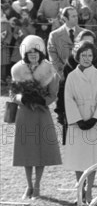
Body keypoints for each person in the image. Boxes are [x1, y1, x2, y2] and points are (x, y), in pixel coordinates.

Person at [10, 35, 61, 200]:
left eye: (36, 51)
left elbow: (53, 94)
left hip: (41, 112)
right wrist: (21, 98)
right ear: (25, 52)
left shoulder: (49, 70)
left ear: (41, 52)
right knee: (27, 151)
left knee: (41, 151)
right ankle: (29, 186)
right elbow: (13, 93)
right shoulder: (17, 70)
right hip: (24, 113)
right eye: (30, 51)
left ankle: (38, 185)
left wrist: (42, 100)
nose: (33, 54)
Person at [63, 41, 97, 204]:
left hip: (94, 120)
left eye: (90, 55)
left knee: (93, 157)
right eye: (83, 55)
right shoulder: (71, 76)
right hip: (77, 121)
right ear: (77, 56)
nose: (86, 58)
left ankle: (90, 191)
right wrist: (77, 119)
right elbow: (68, 99)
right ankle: (80, 188)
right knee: (78, 156)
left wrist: (95, 117)